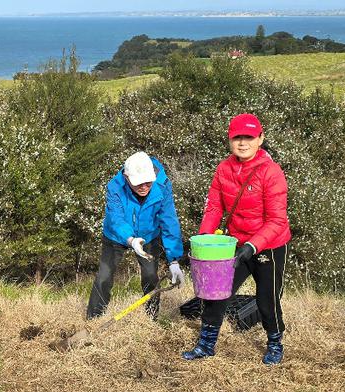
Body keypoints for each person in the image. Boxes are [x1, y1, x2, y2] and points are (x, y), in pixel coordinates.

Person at [183, 113, 291, 365]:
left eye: (249, 137)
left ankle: (275, 343)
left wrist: (253, 246)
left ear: (260, 139)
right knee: (216, 293)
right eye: (237, 137)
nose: (243, 143)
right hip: (235, 242)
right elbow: (214, 209)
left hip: (269, 245)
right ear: (230, 140)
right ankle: (206, 344)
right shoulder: (224, 169)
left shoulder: (271, 172)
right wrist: (202, 242)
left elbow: (277, 220)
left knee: (267, 299)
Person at [87, 151, 185, 319]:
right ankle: (94, 317)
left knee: (150, 275)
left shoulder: (162, 185)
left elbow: (169, 220)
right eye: (138, 183)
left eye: (148, 182)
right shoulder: (114, 187)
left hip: (149, 234)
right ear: (126, 177)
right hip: (117, 235)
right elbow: (115, 218)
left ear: (153, 175)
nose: (144, 187)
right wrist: (131, 240)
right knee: (104, 275)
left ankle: (151, 316)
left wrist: (174, 260)